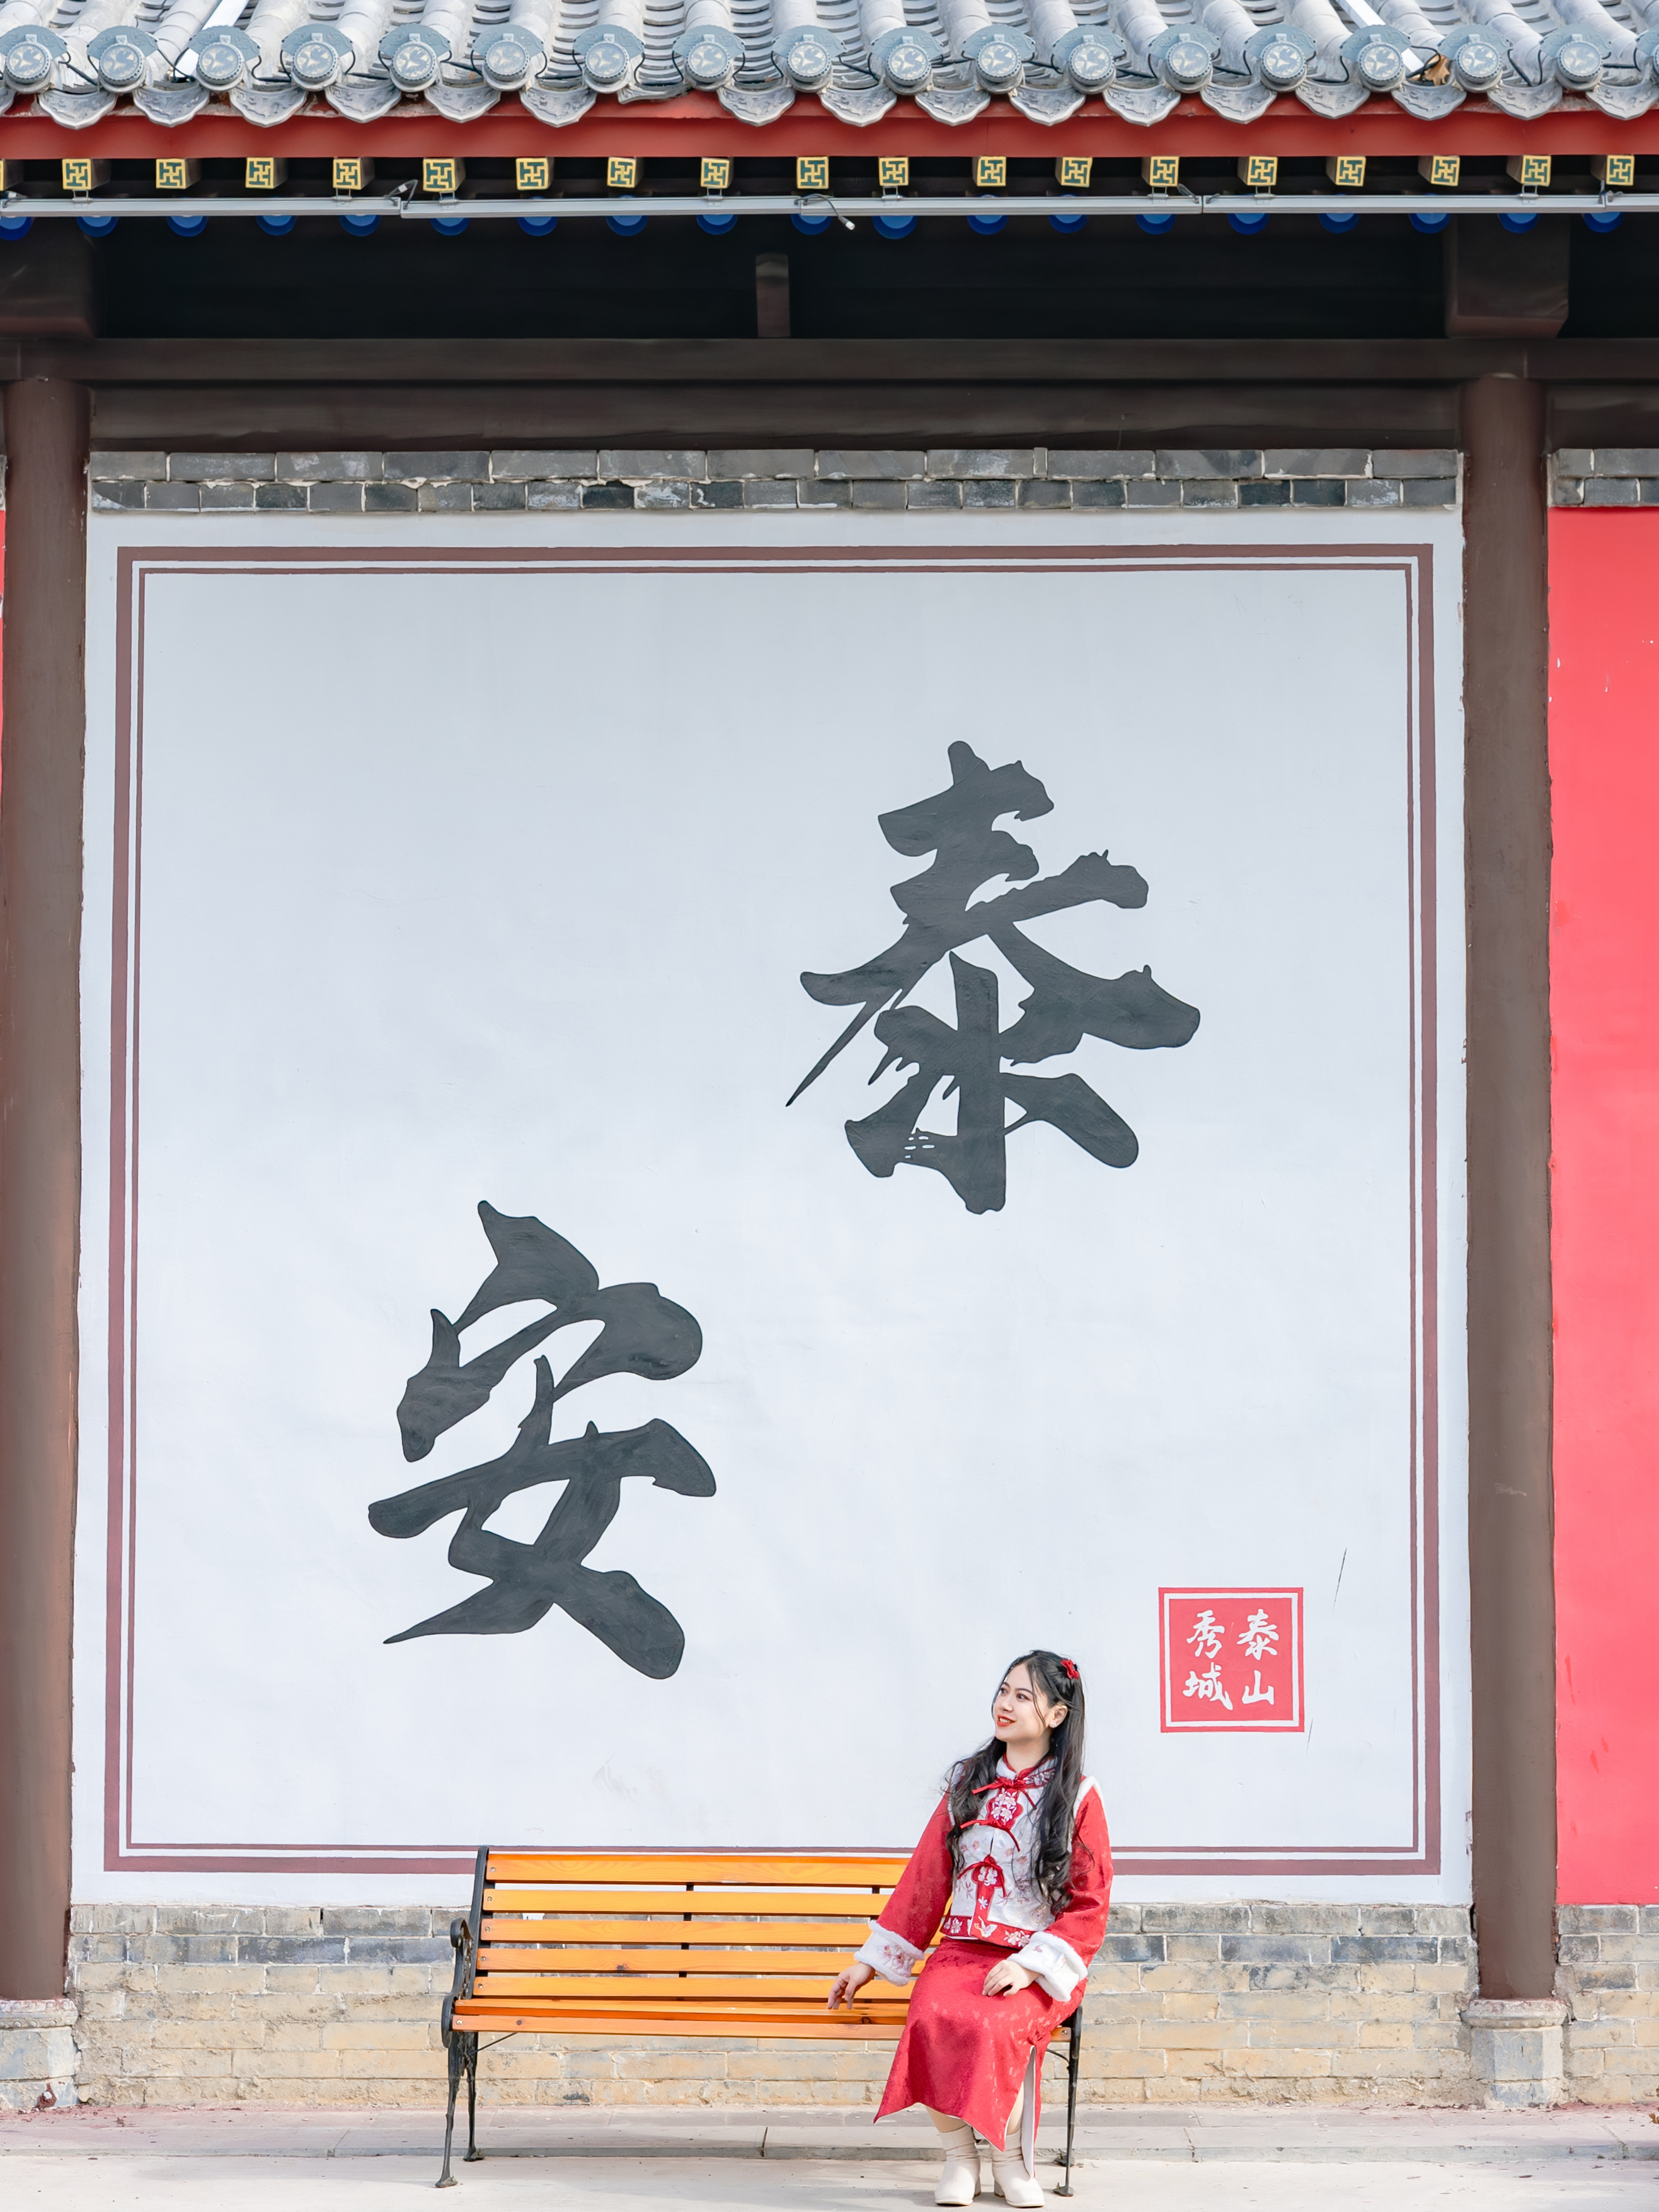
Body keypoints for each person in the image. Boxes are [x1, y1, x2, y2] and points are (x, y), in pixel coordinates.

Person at [828, 1650, 1111, 2209]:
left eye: (1022, 1696)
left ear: (1056, 1714)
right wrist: (869, 1961)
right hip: (961, 1950)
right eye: (1003, 1690)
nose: (1004, 1704)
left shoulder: (1077, 1795)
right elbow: (925, 1880)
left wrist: (1028, 1962)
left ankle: (1007, 2161)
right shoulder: (966, 1781)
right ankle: (960, 2155)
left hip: (1035, 1958)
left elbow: (1090, 1903)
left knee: (994, 2025)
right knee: (931, 2015)